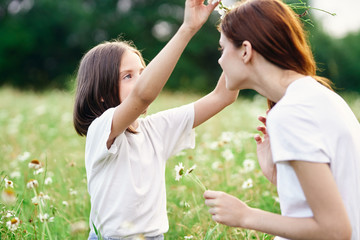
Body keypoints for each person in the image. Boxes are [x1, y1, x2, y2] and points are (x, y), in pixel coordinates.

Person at [73, 0, 238, 239]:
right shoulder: (101, 129)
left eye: (143, 72)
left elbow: (223, 96)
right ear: (100, 94)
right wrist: (188, 28)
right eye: (128, 76)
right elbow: (144, 94)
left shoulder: (155, 129)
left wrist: (238, 37)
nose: (141, 80)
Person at [203, 0, 360, 239]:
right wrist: (282, 178)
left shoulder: (291, 113)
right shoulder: (318, 96)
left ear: (245, 50)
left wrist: (245, 216)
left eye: (222, 49)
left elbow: (336, 231)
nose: (220, 60)